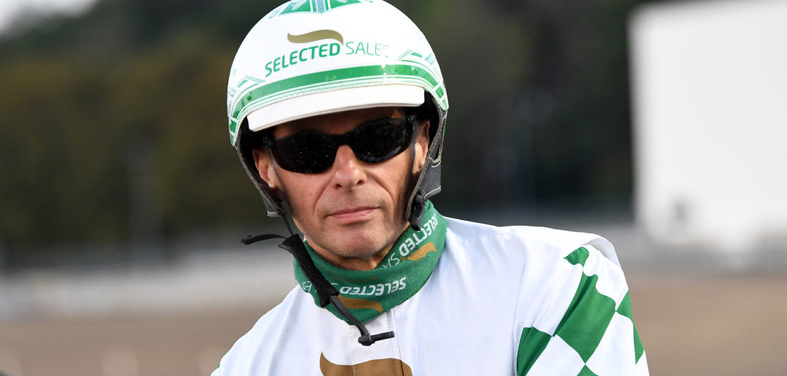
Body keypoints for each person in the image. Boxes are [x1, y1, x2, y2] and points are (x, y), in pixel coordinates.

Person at [215, 1, 649, 375]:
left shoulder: (558, 283)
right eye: (308, 149)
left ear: (422, 143)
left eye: (378, 137)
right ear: (266, 168)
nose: (348, 174)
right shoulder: (246, 366)